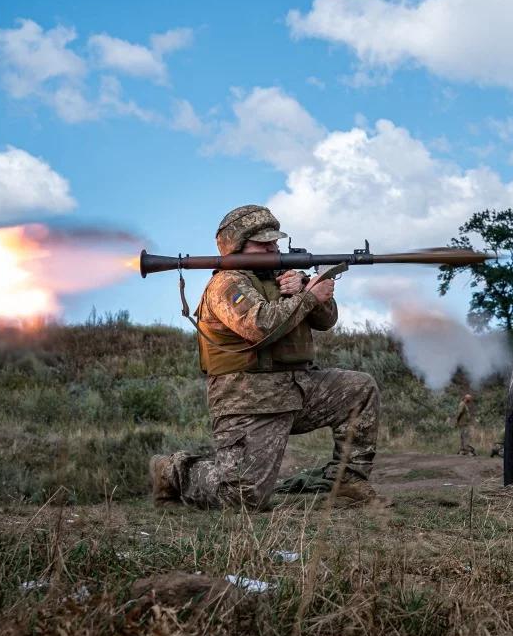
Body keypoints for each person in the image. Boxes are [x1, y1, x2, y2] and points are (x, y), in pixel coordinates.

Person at [149, 205, 381, 510]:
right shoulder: (226, 284)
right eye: (264, 243)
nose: (273, 247)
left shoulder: (280, 277)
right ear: (237, 246)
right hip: (248, 397)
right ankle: (174, 470)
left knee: (360, 389)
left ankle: (348, 483)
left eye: (275, 241)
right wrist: (307, 296)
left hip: (297, 387)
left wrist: (306, 289)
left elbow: (326, 321)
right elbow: (259, 326)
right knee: (244, 499)